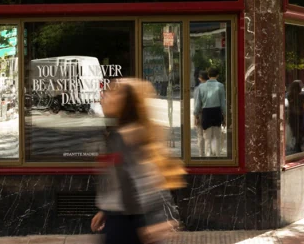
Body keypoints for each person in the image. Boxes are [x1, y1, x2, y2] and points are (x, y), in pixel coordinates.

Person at [92, 78, 186, 244]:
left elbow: (147, 179)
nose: (104, 96)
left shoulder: (129, 135)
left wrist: (158, 219)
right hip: (120, 218)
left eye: (113, 92)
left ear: (126, 102)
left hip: (133, 223)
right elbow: (119, 180)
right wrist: (107, 210)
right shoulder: (116, 133)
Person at [194, 67, 226, 157]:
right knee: (217, 137)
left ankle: (208, 157)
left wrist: (196, 116)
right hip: (217, 111)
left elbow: (198, 104)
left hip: (206, 112)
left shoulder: (201, 87)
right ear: (218, 75)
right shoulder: (220, 86)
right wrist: (225, 117)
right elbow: (223, 103)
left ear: (208, 76)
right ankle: (217, 156)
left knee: (207, 138)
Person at [287, 80, 304, 153]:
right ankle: (298, 147)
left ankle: (297, 146)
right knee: (302, 133)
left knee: (295, 133)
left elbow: (291, 107)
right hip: (300, 117)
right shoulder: (302, 96)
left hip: (292, 117)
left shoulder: (290, 95)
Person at [194, 71, 209, 157]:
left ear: (200, 79)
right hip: (211, 113)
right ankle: (209, 154)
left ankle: (201, 154)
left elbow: (197, 104)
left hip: (201, 113)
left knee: (200, 135)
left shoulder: (198, 89)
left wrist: (196, 116)